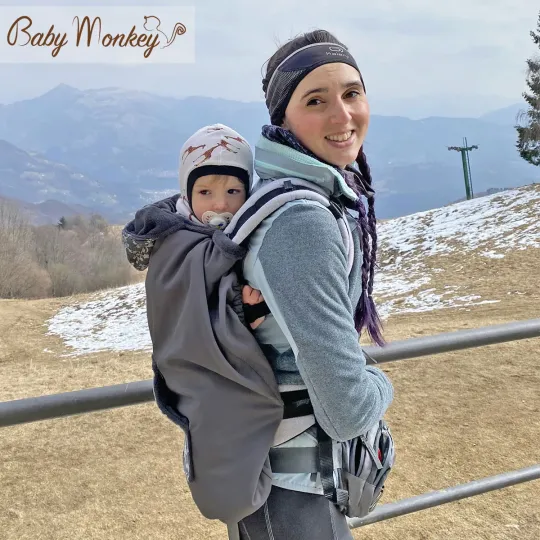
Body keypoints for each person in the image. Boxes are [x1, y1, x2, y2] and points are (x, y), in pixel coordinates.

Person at [231, 29, 394, 539]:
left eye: (351, 93)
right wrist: (382, 382)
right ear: (282, 118)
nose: (343, 116)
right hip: (293, 495)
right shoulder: (303, 220)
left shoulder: (290, 195)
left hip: (275, 482)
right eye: (316, 101)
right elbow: (347, 409)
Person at [176, 122, 266, 329]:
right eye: (205, 192)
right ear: (186, 193)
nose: (220, 204)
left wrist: (249, 310)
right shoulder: (177, 242)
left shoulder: (248, 233)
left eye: (232, 191)